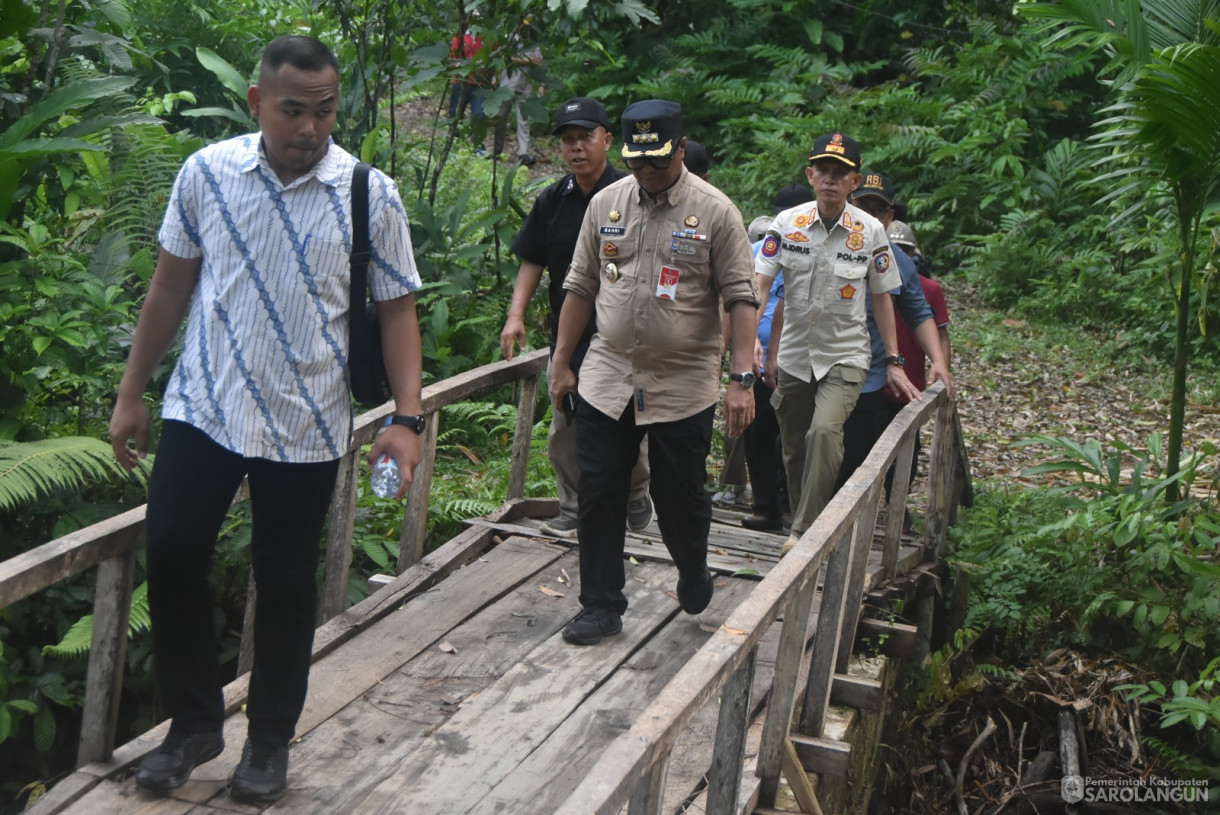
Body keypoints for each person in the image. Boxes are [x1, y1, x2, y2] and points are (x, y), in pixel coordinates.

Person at [108, 35, 425, 803]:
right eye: (292, 111)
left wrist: (406, 418)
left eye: (324, 111)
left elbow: (398, 310)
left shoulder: (367, 195)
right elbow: (168, 291)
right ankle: (192, 724)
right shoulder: (207, 174)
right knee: (173, 548)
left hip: (305, 420)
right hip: (204, 405)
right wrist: (130, 392)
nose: (310, 128)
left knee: (284, 583)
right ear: (257, 103)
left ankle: (270, 742)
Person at [549, 99, 759, 645]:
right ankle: (600, 604)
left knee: (679, 496)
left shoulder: (716, 212)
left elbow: (740, 298)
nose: (646, 172)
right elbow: (580, 285)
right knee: (598, 492)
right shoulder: (606, 204)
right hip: (608, 374)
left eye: (658, 162)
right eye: (637, 161)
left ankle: (692, 566)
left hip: (682, 381)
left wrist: (742, 380)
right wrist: (561, 363)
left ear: (682, 149)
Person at [754, 133, 918, 556]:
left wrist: (895, 360)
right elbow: (761, 286)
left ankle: (804, 534)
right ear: (810, 175)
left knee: (825, 432)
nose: (829, 179)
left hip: (845, 354)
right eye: (822, 171)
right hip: (794, 355)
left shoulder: (870, 231)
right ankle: (803, 516)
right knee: (794, 448)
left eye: (840, 173)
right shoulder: (786, 224)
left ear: (853, 181)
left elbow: (883, 295)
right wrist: (748, 346)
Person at [500, 97, 652, 538]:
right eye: (567, 140)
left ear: (607, 140)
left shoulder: (632, 195)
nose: (576, 148)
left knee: (624, 420)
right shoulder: (554, 199)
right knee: (565, 423)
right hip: (568, 333)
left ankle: (635, 492)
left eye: (586, 137)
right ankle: (573, 506)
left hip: (621, 331)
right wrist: (516, 316)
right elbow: (533, 259)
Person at [834, 173, 953, 520]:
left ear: (890, 217)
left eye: (878, 209)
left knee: (855, 457)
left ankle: (841, 530)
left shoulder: (899, 262)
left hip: (867, 377)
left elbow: (918, 312)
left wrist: (939, 361)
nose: (870, 216)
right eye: (863, 206)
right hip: (818, 367)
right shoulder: (825, 241)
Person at [739, 183, 814, 532]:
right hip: (756, 358)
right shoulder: (756, 250)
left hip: (801, 357)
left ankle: (789, 505)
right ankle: (766, 507)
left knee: (793, 435)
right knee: (756, 432)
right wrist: (749, 344)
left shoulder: (815, 250)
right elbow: (745, 298)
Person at [494, 38, 543, 165]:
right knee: (500, 118)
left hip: (525, 85)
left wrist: (543, 84)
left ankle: (524, 153)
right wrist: (528, 60)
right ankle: (496, 150)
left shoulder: (532, 42)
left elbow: (539, 61)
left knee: (524, 120)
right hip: (507, 84)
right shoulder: (509, 38)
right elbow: (506, 58)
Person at [449, 20, 488, 153]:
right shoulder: (459, 37)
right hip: (461, 81)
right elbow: (453, 58)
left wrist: (493, 79)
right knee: (456, 113)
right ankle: (453, 142)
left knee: (479, 114)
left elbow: (494, 61)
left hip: (481, 83)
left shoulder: (487, 38)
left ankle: (477, 145)